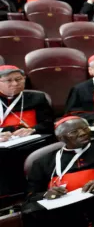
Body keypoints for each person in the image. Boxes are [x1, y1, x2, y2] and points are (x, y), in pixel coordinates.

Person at [0, 65, 55, 196]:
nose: (15, 83)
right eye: (9, 80)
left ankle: (33, 193)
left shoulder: (37, 98)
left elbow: (48, 124)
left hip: (31, 144)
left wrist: (33, 129)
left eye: (19, 79)